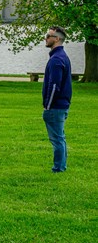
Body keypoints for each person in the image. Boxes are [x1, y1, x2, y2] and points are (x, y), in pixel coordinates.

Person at [42, 26, 72, 173]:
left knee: (57, 139)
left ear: (57, 39)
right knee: (60, 138)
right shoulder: (62, 56)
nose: (46, 38)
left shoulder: (56, 59)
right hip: (62, 105)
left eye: (49, 36)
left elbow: (54, 86)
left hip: (56, 107)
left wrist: (48, 105)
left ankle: (58, 168)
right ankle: (61, 166)